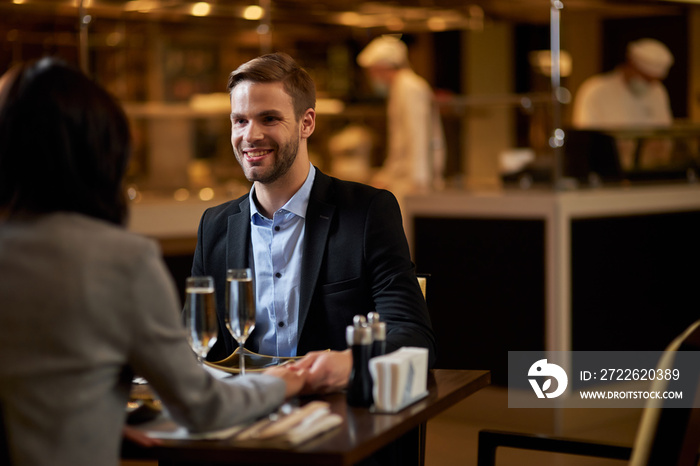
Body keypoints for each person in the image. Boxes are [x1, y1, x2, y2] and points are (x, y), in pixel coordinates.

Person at [0, 57, 305, 466]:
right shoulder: (118, 260)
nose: (250, 134)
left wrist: (95, 418)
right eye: (239, 120)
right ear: (101, 149)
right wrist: (285, 383)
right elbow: (202, 407)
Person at [191, 52, 436, 396]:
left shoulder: (368, 212)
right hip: (240, 419)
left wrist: (352, 362)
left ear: (307, 123)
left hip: (333, 419)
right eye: (240, 120)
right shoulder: (214, 225)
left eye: (269, 118)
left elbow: (414, 337)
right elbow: (195, 346)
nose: (250, 135)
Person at [356, 35, 446, 201]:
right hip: (403, 177)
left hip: (413, 180)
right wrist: (387, 174)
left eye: (373, 71)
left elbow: (418, 135)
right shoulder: (399, 88)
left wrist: (419, 180)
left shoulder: (410, 88)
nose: (372, 77)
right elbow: (400, 140)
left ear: (384, 67)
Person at [572, 38, 674, 129]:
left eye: (654, 80)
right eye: (645, 78)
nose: (649, 84)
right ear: (631, 64)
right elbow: (587, 137)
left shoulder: (658, 90)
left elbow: (664, 131)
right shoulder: (595, 89)